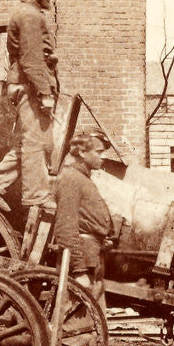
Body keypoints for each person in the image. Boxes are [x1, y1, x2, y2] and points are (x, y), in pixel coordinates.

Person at [0, 0, 59, 212]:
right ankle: (36, 195)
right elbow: (31, 59)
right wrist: (45, 93)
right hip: (30, 86)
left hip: (27, 84)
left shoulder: (29, 13)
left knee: (35, 143)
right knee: (35, 142)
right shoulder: (30, 15)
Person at [53, 129, 113, 304]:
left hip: (92, 260)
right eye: (99, 152)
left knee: (94, 319)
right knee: (76, 319)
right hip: (81, 265)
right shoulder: (71, 179)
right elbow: (65, 228)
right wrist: (79, 271)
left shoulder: (81, 178)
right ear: (82, 152)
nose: (103, 157)